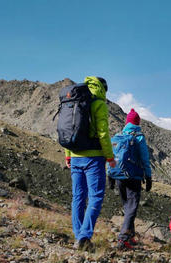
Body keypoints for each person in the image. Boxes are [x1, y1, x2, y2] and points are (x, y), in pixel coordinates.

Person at [64, 76, 116, 250]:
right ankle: (84, 237)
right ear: (103, 88)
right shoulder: (99, 104)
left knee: (78, 197)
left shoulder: (75, 99)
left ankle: (78, 237)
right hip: (93, 158)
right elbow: (103, 133)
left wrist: (68, 154)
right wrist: (110, 157)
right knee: (95, 197)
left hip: (75, 154)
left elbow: (68, 129)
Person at [110, 108, 152, 250]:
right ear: (137, 123)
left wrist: (110, 174)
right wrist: (149, 176)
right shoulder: (139, 137)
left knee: (127, 207)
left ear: (127, 122)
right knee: (132, 207)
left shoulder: (118, 136)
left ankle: (131, 235)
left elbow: (111, 156)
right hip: (133, 177)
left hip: (118, 176)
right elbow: (145, 159)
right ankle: (123, 239)